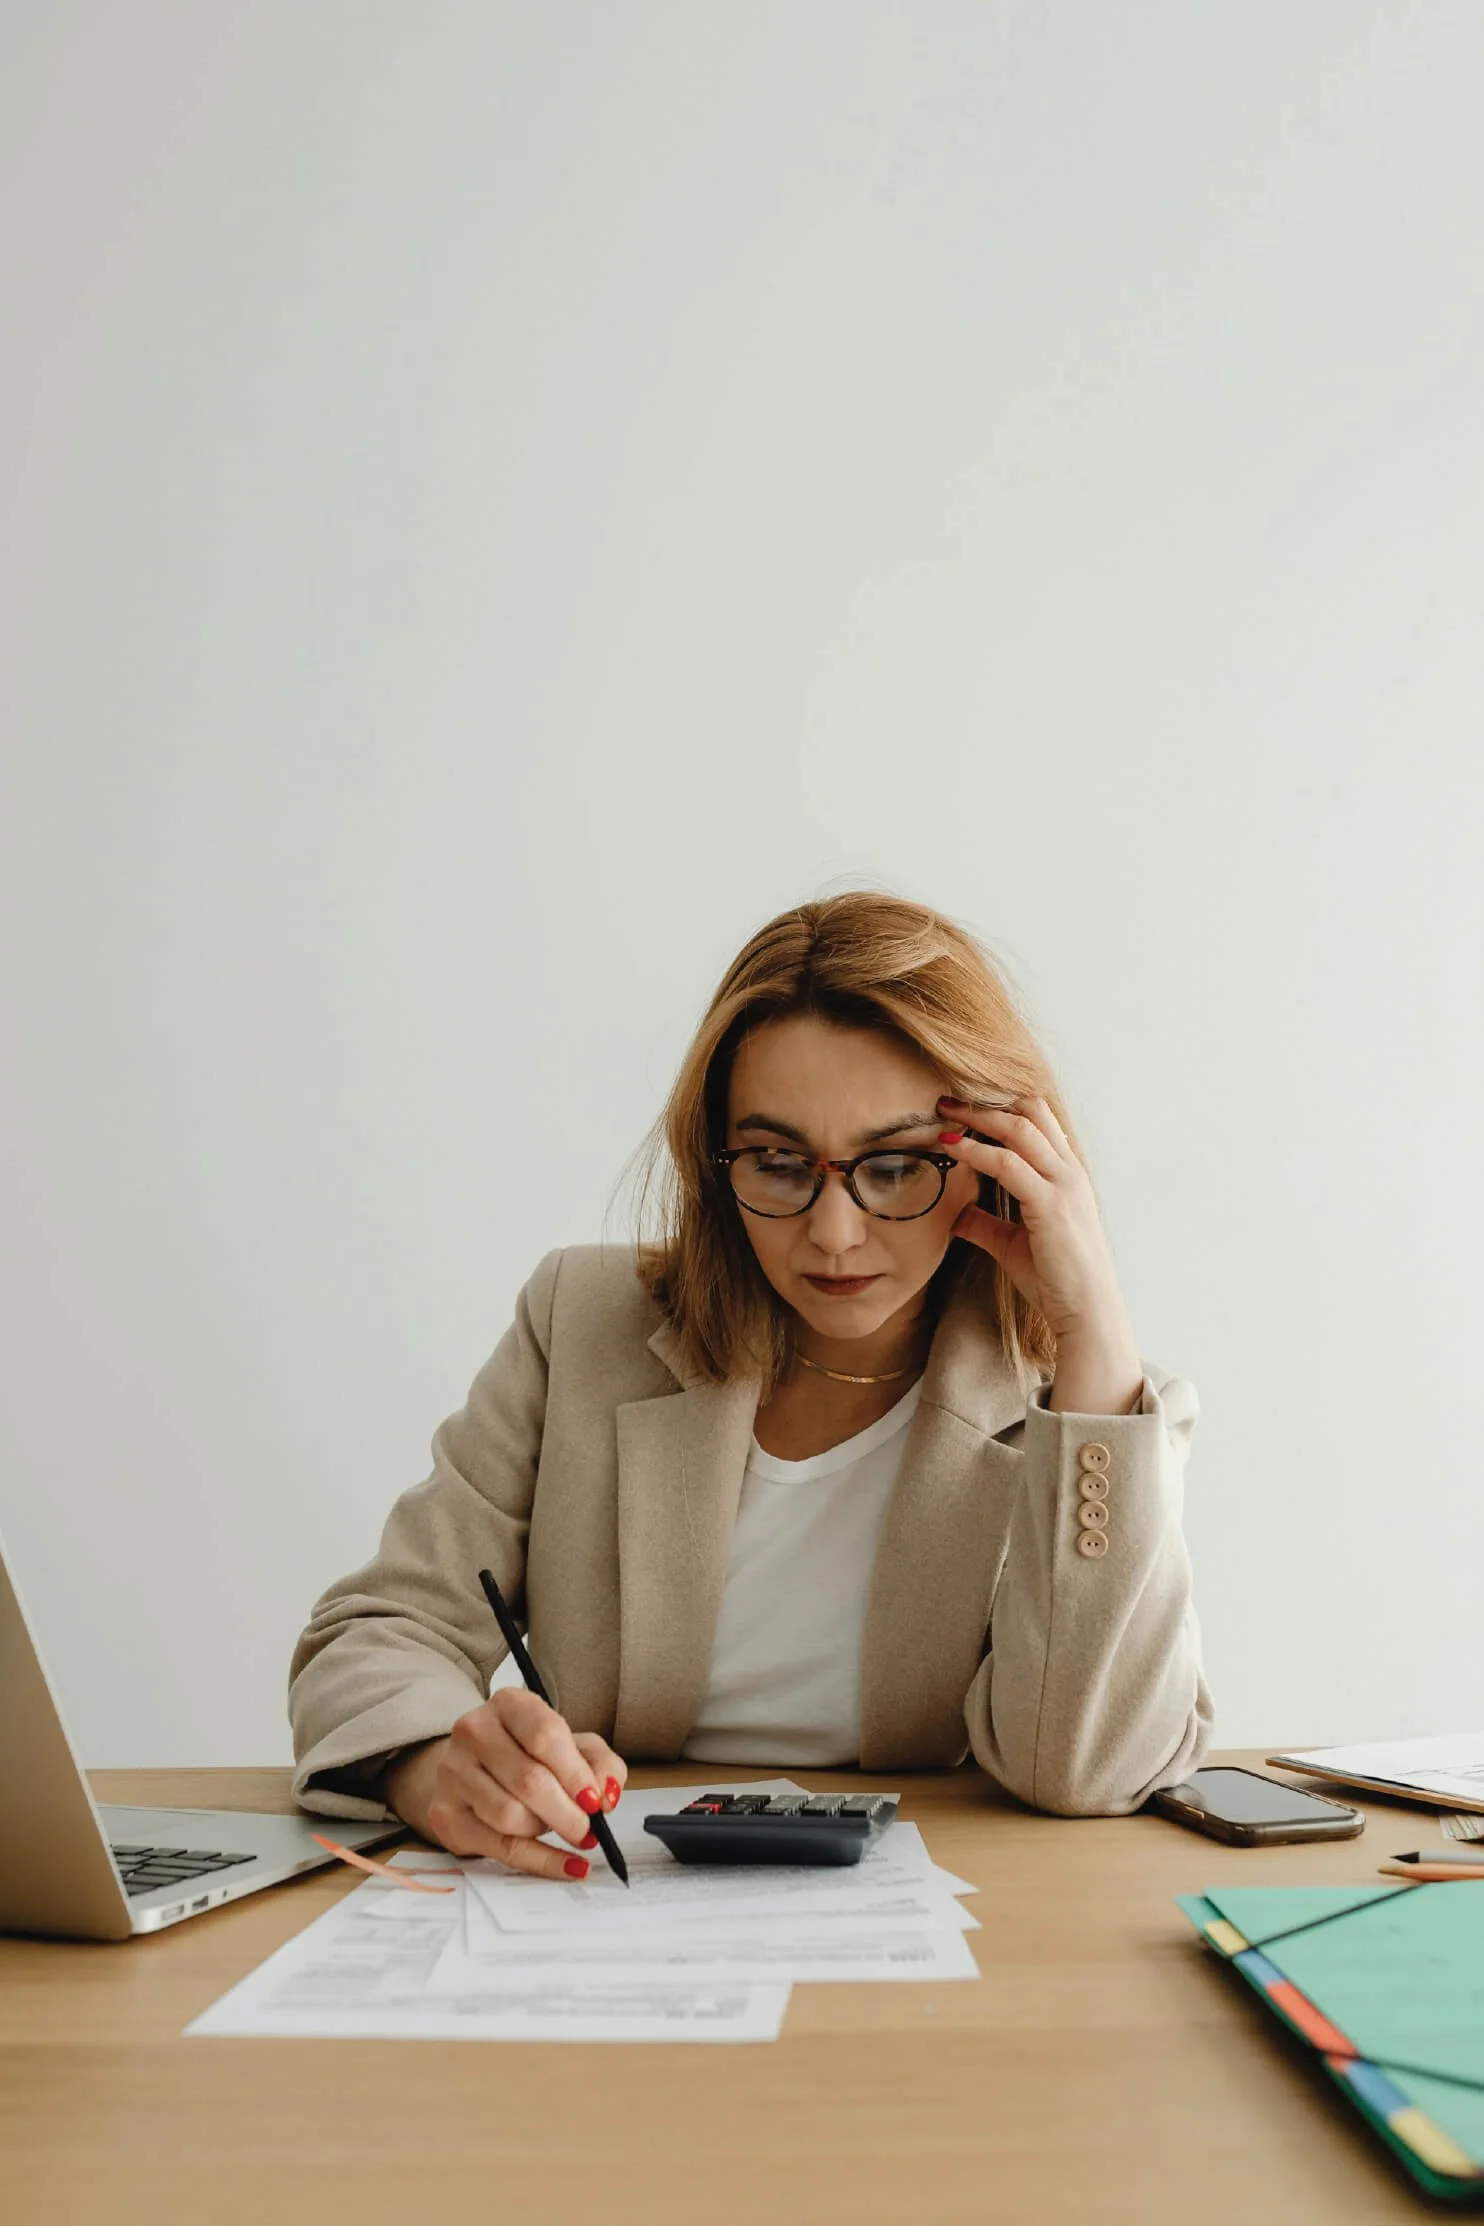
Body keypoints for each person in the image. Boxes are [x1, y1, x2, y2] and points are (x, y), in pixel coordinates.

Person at [288, 891, 1213, 1879]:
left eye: (894, 1166)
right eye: (775, 1163)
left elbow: (1082, 1767)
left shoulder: (1089, 1408)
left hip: (948, 1926)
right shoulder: (586, 1322)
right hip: (610, 1907)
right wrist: (433, 1766)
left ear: (999, 1166)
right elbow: (377, 1631)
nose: (832, 1231)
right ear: (712, 1159)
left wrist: (1091, 1331)